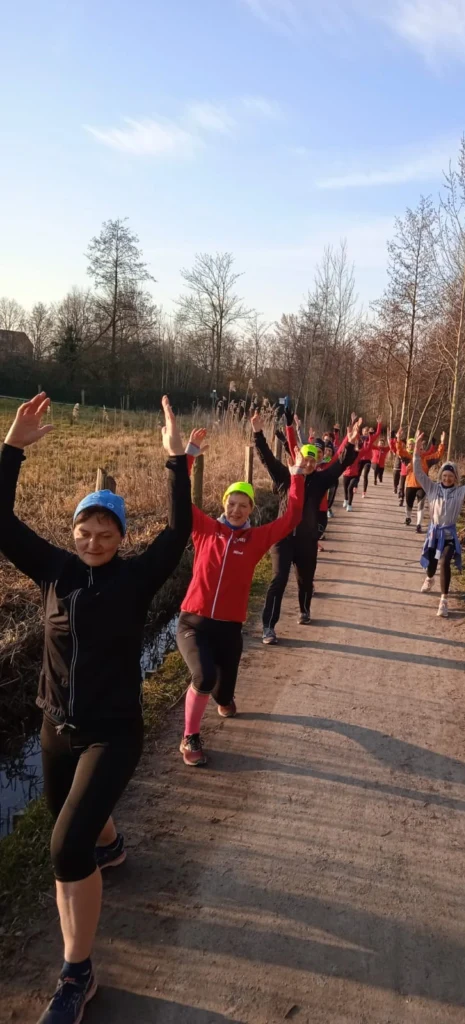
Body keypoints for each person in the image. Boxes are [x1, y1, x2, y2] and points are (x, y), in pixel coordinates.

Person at [0, 393, 193, 1024]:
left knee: (63, 848)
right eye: (84, 531)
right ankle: (109, 848)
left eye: (104, 533)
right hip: (56, 725)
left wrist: (174, 463)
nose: (92, 540)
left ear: (118, 536)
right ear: (74, 531)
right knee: (79, 830)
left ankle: (76, 974)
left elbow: (179, 533)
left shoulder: (136, 579)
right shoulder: (53, 569)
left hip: (114, 732)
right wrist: (11, 450)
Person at [177, 432, 308, 767]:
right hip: (193, 621)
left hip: (229, 629)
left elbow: (291, 518)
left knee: (223, 695)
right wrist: (187, 456)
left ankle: (225, 697)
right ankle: (190, 736)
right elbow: (178, 501)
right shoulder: (205, 529)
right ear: (224, 505)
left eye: (243, 504)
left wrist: (296, 477)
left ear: (251, 509)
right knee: (203, 677)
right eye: (231, 503)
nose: (236, 509)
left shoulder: (255, 538)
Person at [255, 410, 359, 641]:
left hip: (306, 541)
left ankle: (304, 609)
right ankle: (268, 626)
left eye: (313, 459)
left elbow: (340, 465)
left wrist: (350, 445)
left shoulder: (320, 481)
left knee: (305, 580)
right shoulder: (284, 476)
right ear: (297, 458)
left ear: (318, 461)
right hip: (282, 539)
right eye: (305, 458)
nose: (309, 462)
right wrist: (258, 434)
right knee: (278, 580)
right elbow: (266, 458)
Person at [412, 433, 465, 617]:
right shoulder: (432, 488)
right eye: (444, 475)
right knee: (431, 564)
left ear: (455, 478)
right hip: (433, 534)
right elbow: (418, 473)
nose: (447, 478)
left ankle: (443, 601)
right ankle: (429, 578)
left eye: (450, 476)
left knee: (445, 561)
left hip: (449, 536)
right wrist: (416, 452)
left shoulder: (460, 492)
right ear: (441, 476)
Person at [404, 431, 445, 531]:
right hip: (410, 484)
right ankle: (408, 517)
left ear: (423, 451)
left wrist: (442, 443)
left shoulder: (427, 459)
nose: (420, 451)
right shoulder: (409, 458)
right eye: (418, 449)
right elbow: (399, 451)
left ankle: (419, 524)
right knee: (409, 504)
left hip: (422, 486)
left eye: (421, 449)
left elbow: (438, 455)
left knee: (421, 504)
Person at [342, 418, 382, 511]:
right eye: (364, 431)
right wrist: (354, 423)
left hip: (363, 463)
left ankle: (352, 502)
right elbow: (351, 436)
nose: (358, 446)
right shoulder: (350, 447)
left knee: (352, 486)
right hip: (347, 473)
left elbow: (370, 444)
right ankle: (346, 499)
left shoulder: (364, 446)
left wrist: (379, 424)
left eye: (367, 431)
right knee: (346, 488)